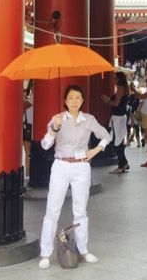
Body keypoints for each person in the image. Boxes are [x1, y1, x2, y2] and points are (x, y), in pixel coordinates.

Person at [38, 85, 111, 269]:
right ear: (65, 100)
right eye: (70, 98)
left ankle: (83, 249)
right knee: (52, 209)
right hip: (61, 165)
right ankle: (45, 253)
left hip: (81, 166)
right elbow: (45, 145)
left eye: (78, 98)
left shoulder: (89, 119)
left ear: (82, 100)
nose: (74, 101)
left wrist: (95, 150)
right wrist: (54, 129)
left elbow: (106, 135)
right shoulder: (58, 118)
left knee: (80, 210)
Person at [101, 71, 130, 174]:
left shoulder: (120, 88)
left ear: (119, 79)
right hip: (122, 116)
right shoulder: (125, 88)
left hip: (117, 117)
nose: (113, 80)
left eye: (115, 78)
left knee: (117, 142)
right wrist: (109, 99)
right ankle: (124, 162)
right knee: (119, 140)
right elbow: (120, 102)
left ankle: (121, 165)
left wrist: (107, 101)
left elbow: (116, 103)